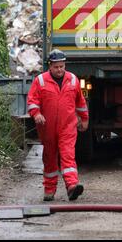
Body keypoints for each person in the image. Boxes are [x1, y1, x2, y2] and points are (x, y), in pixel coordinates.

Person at [27, 49, 89, 201]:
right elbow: (32, 101)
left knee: (68, 155)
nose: (60, 70)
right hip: (47, 128)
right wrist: (37, 114)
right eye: (56, 67)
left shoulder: (73, 80)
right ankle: (49, 190)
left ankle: (72, 186)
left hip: (67, 126)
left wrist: (84, 119)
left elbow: (80, 103)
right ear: (50, 66)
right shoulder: (40, 81)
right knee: (49, 158)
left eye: (62, 66)